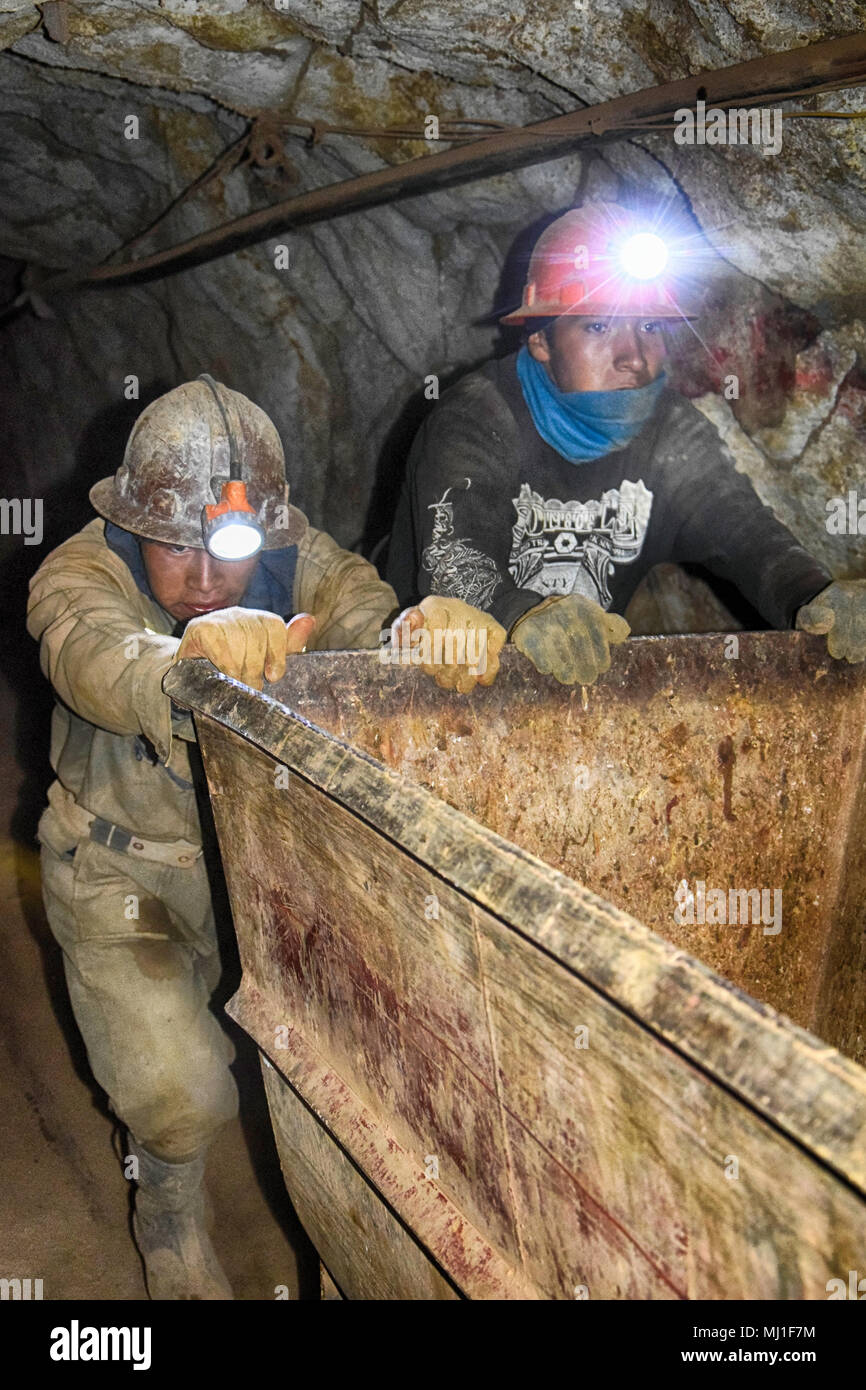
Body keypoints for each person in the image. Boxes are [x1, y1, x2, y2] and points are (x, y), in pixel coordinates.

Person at [27, 376, 503, 1301]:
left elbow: (369, 618)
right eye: (175, 546)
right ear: (135, 524)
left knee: (346, 1064)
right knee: (180, 1094)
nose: (205, 578)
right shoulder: (81, 569)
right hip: (125, 871)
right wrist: (183, 661)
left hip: (269, 869)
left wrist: (420, 635)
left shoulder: (301, 559)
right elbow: (91, 653)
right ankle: (165, 1203)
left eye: (229, 550)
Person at [387, 201, 866, 681]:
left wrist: (813, 594)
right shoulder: (476, 416)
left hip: (565, 687)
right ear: (541, 341)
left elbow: (742, 532)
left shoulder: (669, 431)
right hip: (421, 679)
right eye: (598, 325)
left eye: (650, 326)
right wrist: (523, 613)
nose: (634, 356)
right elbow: (454, 562)